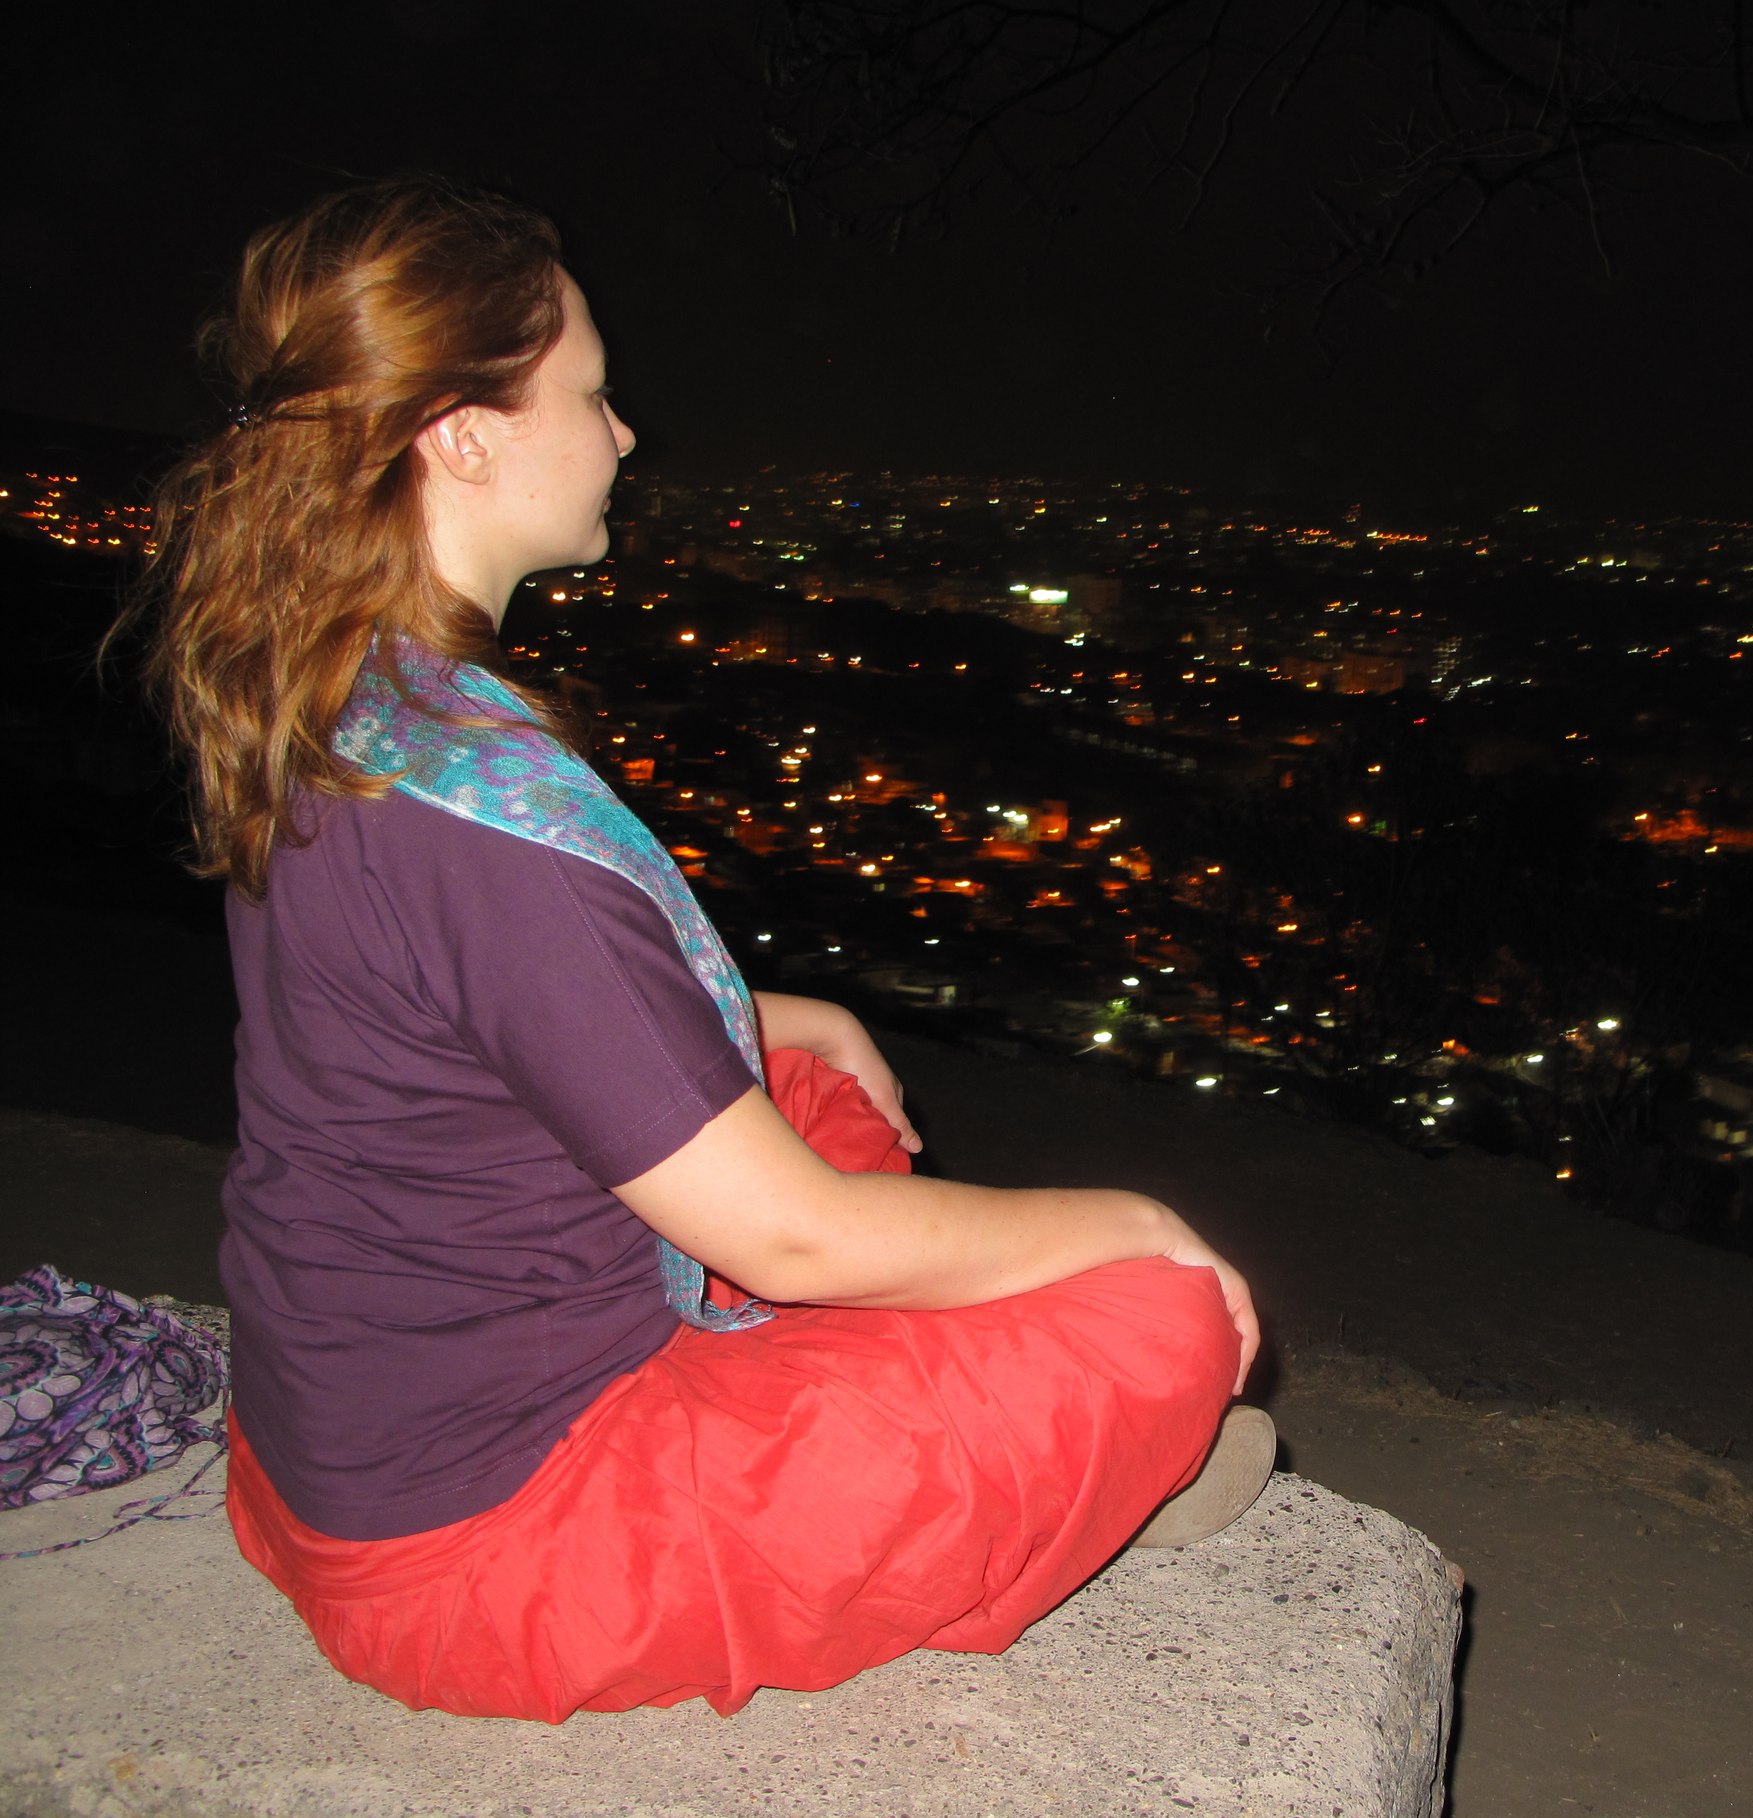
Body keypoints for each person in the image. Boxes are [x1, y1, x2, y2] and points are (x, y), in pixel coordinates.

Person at [121, 176, 1271, 1724]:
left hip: (338, 1441)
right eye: (590, 395)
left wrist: (787, 1013)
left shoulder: (352, 696)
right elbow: (791, 1244)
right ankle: (1015, 1512)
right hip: (481, 1546)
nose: (623, 434)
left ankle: (1002, 1453)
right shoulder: (481, 821)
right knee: (1162, 1315)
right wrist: (1139, 1223)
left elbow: (472, 1017)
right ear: (462, 436)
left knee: (819, 1092)